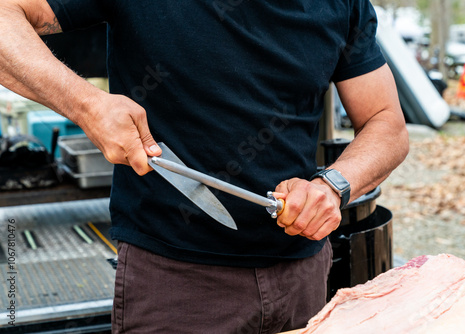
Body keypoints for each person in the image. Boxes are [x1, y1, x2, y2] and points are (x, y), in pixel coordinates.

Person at [0, 1, 409, 333]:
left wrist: (332, 185)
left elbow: (386, 122)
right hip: (175, 282)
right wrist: (87, 104)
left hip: (303, 276)